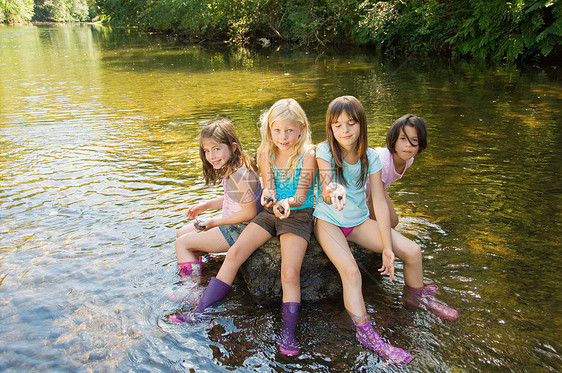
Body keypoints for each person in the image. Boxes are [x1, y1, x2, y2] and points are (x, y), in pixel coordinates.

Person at [313, 96, 457, 365]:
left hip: (358, 223)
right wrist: (335, 193)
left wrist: (388, 248)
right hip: (329, 223)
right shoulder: (324, 152)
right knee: (352, 272)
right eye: (337, 125)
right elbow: (326, 182)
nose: (344, 130)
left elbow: (378, 200)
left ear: (361, 124)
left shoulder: (371, 157)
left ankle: (417, 300)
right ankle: (367, 334)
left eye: (351, 123)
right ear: (330, 129)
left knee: (412, 251)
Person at [182, 99, 317, 357]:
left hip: (297, 214)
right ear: (269, 130)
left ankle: (288, 334)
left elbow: (300, 196)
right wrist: (269, 197)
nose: (283, 137)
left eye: (289, 130)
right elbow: (268, 188)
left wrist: (286, 203)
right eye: (277, 130)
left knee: (289, 273)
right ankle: (199, 313)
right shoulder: (265, 152)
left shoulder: (308, 155)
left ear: (300, 128)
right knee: (233, 255)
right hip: (270, 213)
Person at [173, 118, 262, 288]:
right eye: (207, 151)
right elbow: (234, 198)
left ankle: (191, 289)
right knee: (181, 233)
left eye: (216, 149)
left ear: (233, 147)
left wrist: (214, 223)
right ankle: (207, 264)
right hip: (234, 223)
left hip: (240, 230)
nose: (211, 156)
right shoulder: (236, 166)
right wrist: (205, 206)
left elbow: (249, 212)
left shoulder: (237, 175)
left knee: (181, 244)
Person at [366, 114, 428, 227]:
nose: (408, 145)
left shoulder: (409, 160)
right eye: (403, 139)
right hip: (362, 194)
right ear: (393, 139)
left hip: (378, 190)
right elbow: (372, 201)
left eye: (414, 140)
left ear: (420, 145)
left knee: (393, 222)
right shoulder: (383, 162)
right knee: (384, 224)